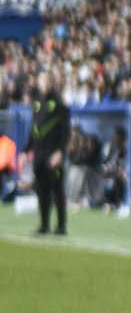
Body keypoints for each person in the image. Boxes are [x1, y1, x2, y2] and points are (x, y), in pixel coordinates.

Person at [24, 70, 70, 237]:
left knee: (57, 190)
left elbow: (66, 132)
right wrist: (25, 151)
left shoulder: (59, 104)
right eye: (42, 80)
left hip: (53, 154)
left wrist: (61, 152)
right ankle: (43, 225)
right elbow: (33, 130)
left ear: (52, 82)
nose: (44, 84)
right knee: (42, 190)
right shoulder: (37, 102)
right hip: (39, 154)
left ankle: (61, 226)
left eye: (47, 81)